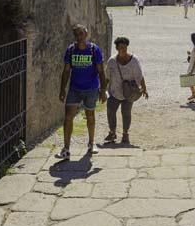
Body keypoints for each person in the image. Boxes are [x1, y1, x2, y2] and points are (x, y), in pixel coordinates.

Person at [56, 24, 107, 159]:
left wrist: (103, 90)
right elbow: (66, 71)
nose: (79, 37)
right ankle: (66, 149)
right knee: (68, 118)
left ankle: (91, 143)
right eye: (77, 35)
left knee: (90, 116)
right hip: (74, 88)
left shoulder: (94, 50)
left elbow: (101, 71)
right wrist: (62, 89)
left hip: (91, 88)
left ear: (86, 34)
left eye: (81, 34)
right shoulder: (71, 50)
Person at [104, 36, 148, 145]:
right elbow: (107, 77)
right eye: (121, 47)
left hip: (129, 93)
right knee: (110, 111)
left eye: (125, 47)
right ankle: (112, 132)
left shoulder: (134, 61)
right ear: (117, 48)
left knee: (126, 113)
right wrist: (102, 90)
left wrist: (144, 89)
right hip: (114, 92)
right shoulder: (112, 62)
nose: (123, 49)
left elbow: (140, 76)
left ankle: (125, 134)